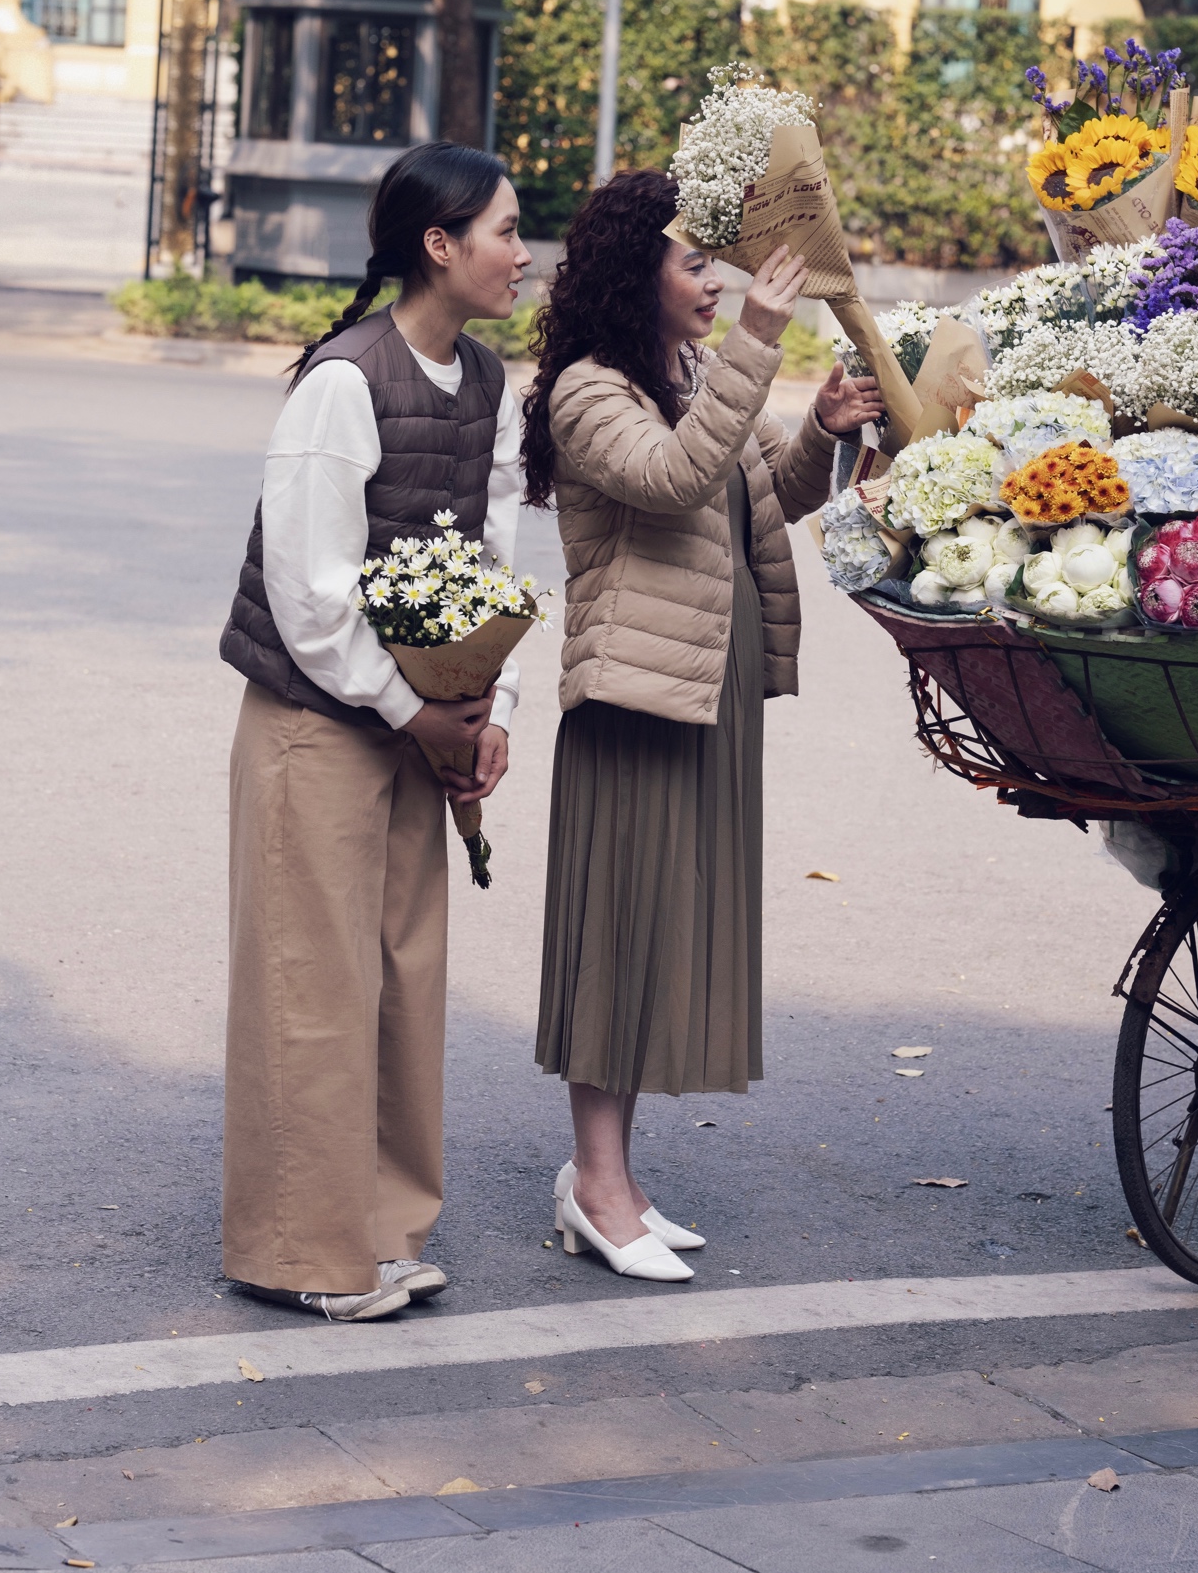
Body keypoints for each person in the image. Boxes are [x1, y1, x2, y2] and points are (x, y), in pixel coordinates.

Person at [521, 168, 883, 1282]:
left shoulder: (681, 370)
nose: (718, 282)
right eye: (697, 263)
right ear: (640, 274)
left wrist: (817, 432)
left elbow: (754, 493)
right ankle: (595, 1184)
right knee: (615, 935)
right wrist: (761, 339)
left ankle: (613, 1177)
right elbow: (674, 480)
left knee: (666, 931)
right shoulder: (587, 390)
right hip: (636, 694)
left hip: (708, 683)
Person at [218, 142, 529, 1320]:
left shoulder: (488, 382)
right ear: (438, 245)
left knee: (404, 975)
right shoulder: (342, 382)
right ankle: (302, 1248)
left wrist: (487, 705)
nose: (521, 252)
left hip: (415, 725)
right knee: (316, 982)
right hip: (315, 721)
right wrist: (417, 714)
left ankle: (384, 1228)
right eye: (504, 230)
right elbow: (309, 595)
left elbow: (492, 560)